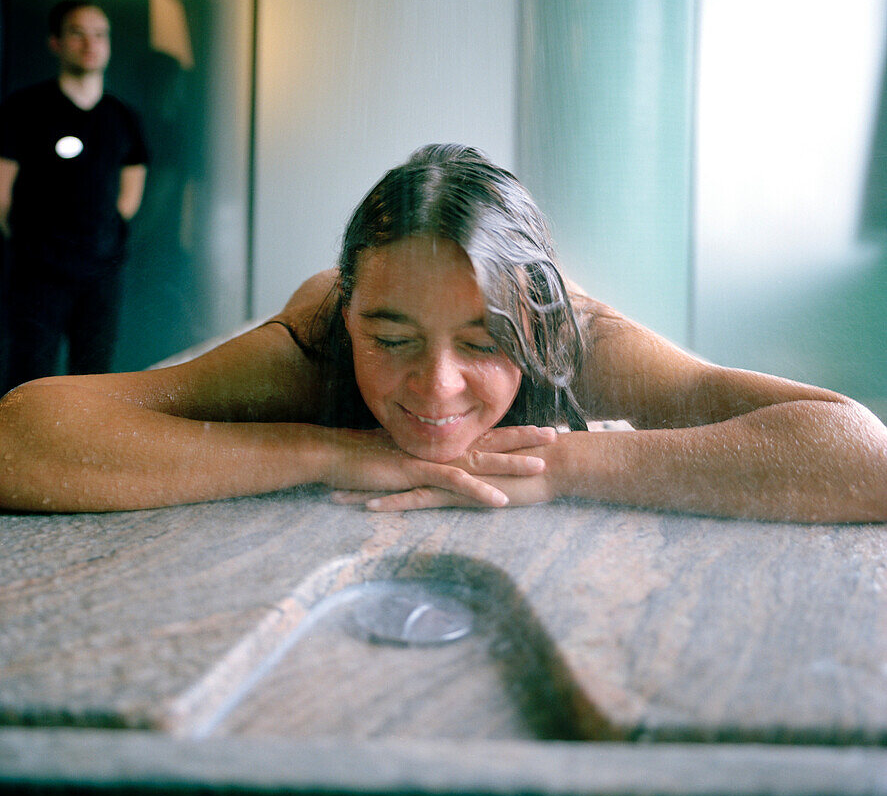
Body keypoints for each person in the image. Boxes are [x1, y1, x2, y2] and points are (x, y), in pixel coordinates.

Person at [0, 143, 884, 521]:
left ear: (532, 323)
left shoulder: (572, 333)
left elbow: (859, 456)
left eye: (483, 341)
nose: (436, 387)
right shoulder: (313, 339)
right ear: (350, 317)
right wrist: (325, 452)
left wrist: (565, 466)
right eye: (390, 339)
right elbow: (22, 435)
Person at [0, 0, 149, 388]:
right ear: (56, 42)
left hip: (100, 273)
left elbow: (129, 195)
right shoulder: (24, 108)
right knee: (27, 382)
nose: (90, 44)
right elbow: (2, 189)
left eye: (100, 35)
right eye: (78, 33)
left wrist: (100, 237)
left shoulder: (123, 117)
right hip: (37, 273)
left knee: (94, 382)